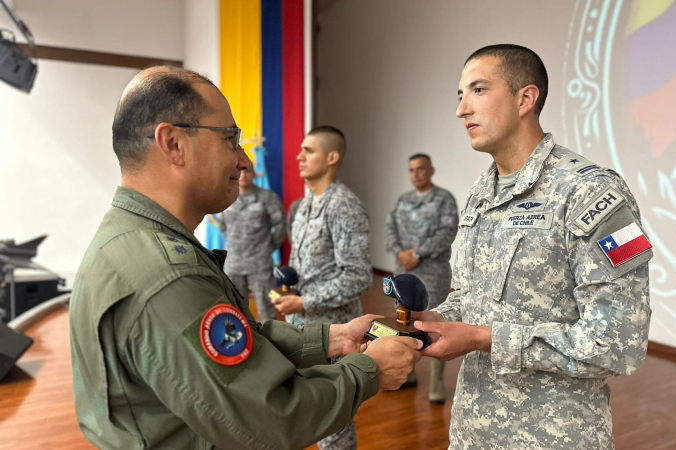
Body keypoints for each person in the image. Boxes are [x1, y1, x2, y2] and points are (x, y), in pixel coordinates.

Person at [69, 66, 422, 450]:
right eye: (230, 140)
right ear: (173, 143)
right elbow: (271, 418)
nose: (242, 161)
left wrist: (329, 339)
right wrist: (369, 371)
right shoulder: (165, 276)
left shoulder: (136, 240)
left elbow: (239, 343)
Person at [413, 44, 653, 449]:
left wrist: (485, 338)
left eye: (478, 90)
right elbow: (471, 299)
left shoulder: (591, 191)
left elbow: (619, 343)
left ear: (525, 98)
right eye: (459, 95)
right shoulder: (481, 192)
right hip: (473, 433)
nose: (462, 109)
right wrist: (428, 321)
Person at [272, 126, 371, 450]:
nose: (299, 156)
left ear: (332, 157)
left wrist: (306, 301)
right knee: (310, 411)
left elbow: (358, 276)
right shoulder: (301, 207)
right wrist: (291, 291)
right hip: (304, 331)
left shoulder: (343, 204)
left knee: (334, 422)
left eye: (308, 150)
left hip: (335, 331)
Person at [384, 153, 458, 403]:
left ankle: (436, 382)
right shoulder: (403, 201)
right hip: (403, 272)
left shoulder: (443, 199)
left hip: (433, 273)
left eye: (421, 169)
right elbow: (390, 228)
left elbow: (447, 231)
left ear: (431, 170)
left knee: (435, 324)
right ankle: (409, 373)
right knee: (405, 323)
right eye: (411, 170)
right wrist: (399, 253)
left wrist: (418, 253)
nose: (416, 174)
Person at [216, 160, 286, 321]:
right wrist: (237, 244)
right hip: (234, 263)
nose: (244, 175)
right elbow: (223, 226)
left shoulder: (267, 198)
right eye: (240, 171)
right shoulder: (225, 196)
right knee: (235, 308)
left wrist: (268, 248)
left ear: (254, 174)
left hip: (260, 263)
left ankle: (271, 343)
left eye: (248, 171)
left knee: (266, 307)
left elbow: (281, 226)